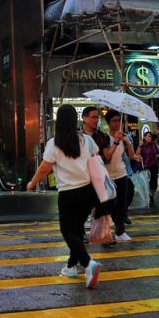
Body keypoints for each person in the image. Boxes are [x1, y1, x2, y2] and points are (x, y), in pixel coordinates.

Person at [26, 104, 101, 289]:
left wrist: (31, 183)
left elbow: (45, 168)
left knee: (68, 231)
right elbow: (96, 158)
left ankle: (87, 263)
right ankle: (70, 267)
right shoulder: (86, 140)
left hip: (68, 194)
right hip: (88, 192)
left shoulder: (55, 143)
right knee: (76, 231)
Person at [103, 110, 141, 241]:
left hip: (122, 174)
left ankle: (120, 231)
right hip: (107, 176)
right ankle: (106, 229)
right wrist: (116, 141)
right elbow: (107, 156)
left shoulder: (124, 137)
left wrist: (127, 142)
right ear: (108, 122)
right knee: (110, 205)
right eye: (114, 121)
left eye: (118, 120)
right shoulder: (105, 138)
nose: (117, 123)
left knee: (122, 203)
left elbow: (131, 155)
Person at [135, 132, 159, 209]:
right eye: (148, 136)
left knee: (154, 182)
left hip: (154, 165)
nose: (150, 138)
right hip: (145, 166)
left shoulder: (153, 145)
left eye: (151, 137)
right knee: (146, 182)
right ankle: (147, 196)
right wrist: (140, 145)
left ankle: (151, 194)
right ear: (144, 137)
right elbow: (137, 154)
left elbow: (157, 152)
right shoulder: (142, 145)